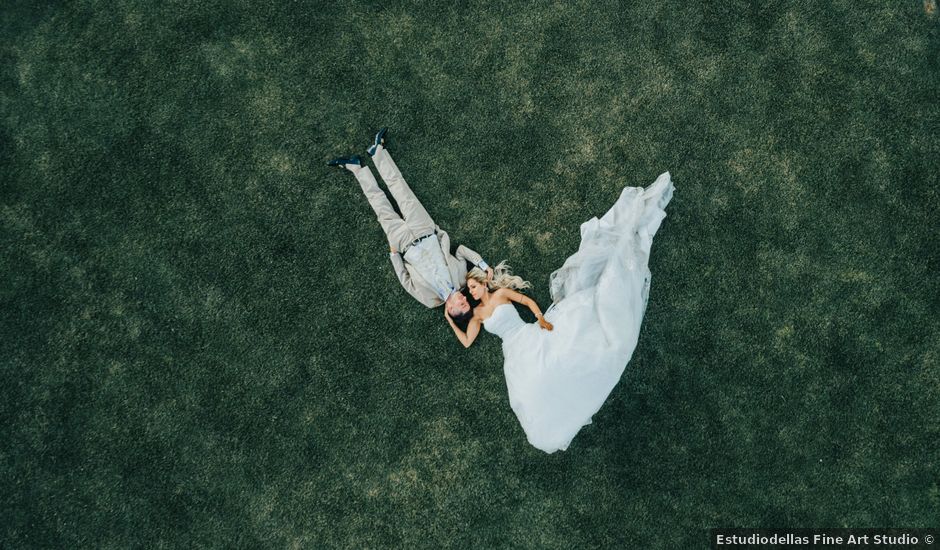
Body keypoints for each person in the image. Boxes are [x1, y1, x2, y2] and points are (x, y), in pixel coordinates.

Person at [444, 173, 675, 453]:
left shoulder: (501, 294)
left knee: (567, 349)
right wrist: (449, 318)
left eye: (473, 286)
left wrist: (541, 318)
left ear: (482, 283)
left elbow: (526, 301)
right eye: (470, 289)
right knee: (537, 383)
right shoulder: (478, 315)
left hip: (530, 333)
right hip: (515, 353)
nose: (473, 291)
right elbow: (467, 341)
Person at [329, 128, 492, 325]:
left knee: (378, 203)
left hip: (402, 243)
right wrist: (482, 265)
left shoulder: (431, 301)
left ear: (451, 310)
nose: (465, 299)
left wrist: (393, 254)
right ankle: (377, 151)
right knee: (400, 188)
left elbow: (406, 282)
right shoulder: (462, 280)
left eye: (463, 305)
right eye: (467, 302)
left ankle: (356, 167)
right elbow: (462, 251)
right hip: (424, 229)